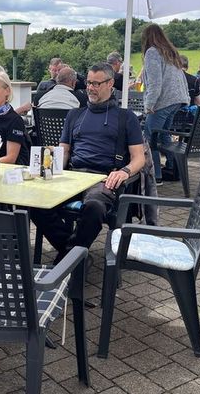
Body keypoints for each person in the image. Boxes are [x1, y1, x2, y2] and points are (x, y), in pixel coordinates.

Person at [30, 63, 145, 261]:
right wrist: (44, 168)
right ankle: (73, 255)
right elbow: (64, 152)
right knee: (34, 201)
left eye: (96, 84)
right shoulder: (75, 114)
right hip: (73, 176)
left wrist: (124, 171)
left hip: (104, 178)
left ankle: (69, 258)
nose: (90, 88)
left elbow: (139, 157)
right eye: (88, 83)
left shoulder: (126, 117)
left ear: (110, 84)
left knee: (94, 208)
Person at [141, 24, 190, 185]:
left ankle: (155, 175)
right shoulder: (171, 52)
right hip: (177, 100)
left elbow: (155, 83)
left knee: (149, 137)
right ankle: (173, 169)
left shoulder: (152, 52)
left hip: (163, 101)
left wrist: (149, 105)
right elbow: (182, 78)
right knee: (164, 135)